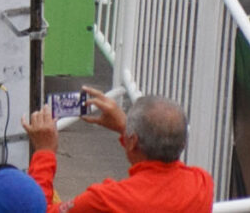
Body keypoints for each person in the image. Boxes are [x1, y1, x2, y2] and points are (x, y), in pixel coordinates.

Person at [22, 88, 210, 211]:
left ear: (133, 141)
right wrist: (125, 129)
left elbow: (36, 209)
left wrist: (44, 152)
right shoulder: (202, 184)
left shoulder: (107, 199)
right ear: (183, 143)